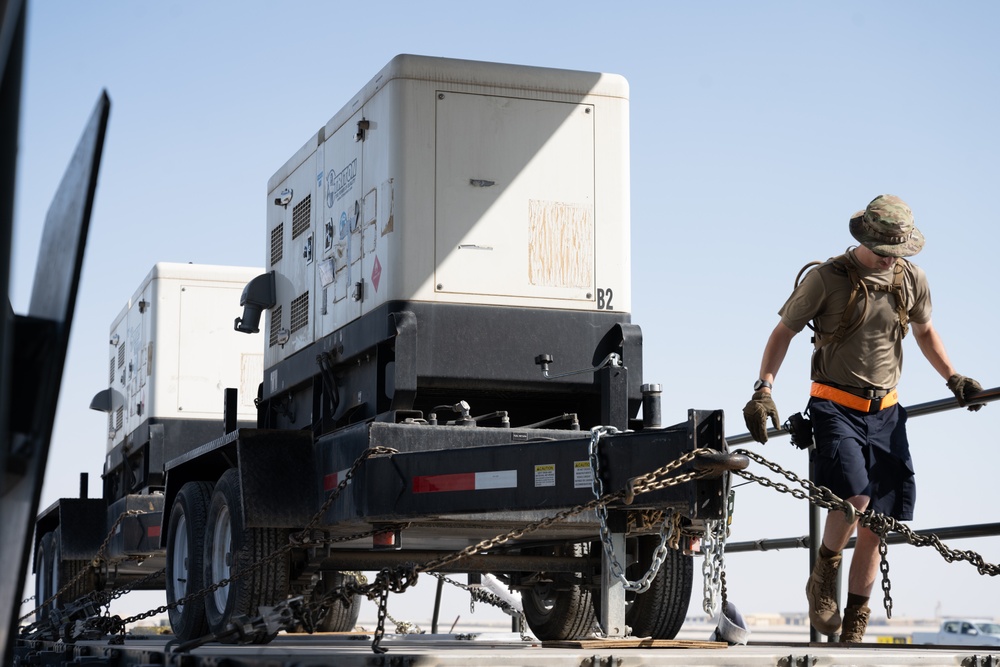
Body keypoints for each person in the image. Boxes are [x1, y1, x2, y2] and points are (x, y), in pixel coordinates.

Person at [742, 194, 985, 643]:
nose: (894, 257)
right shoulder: (826, 279)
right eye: (887, 248)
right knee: (854, 500)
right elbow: (783, 333)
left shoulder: (912, 278)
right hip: (835, 404)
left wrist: (955, 379)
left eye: (900, 250)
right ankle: (823, 574)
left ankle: (855, 623)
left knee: (881, 522)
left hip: (887, 411)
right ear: (868, 238)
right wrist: (764, 391)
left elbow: (925, 331)